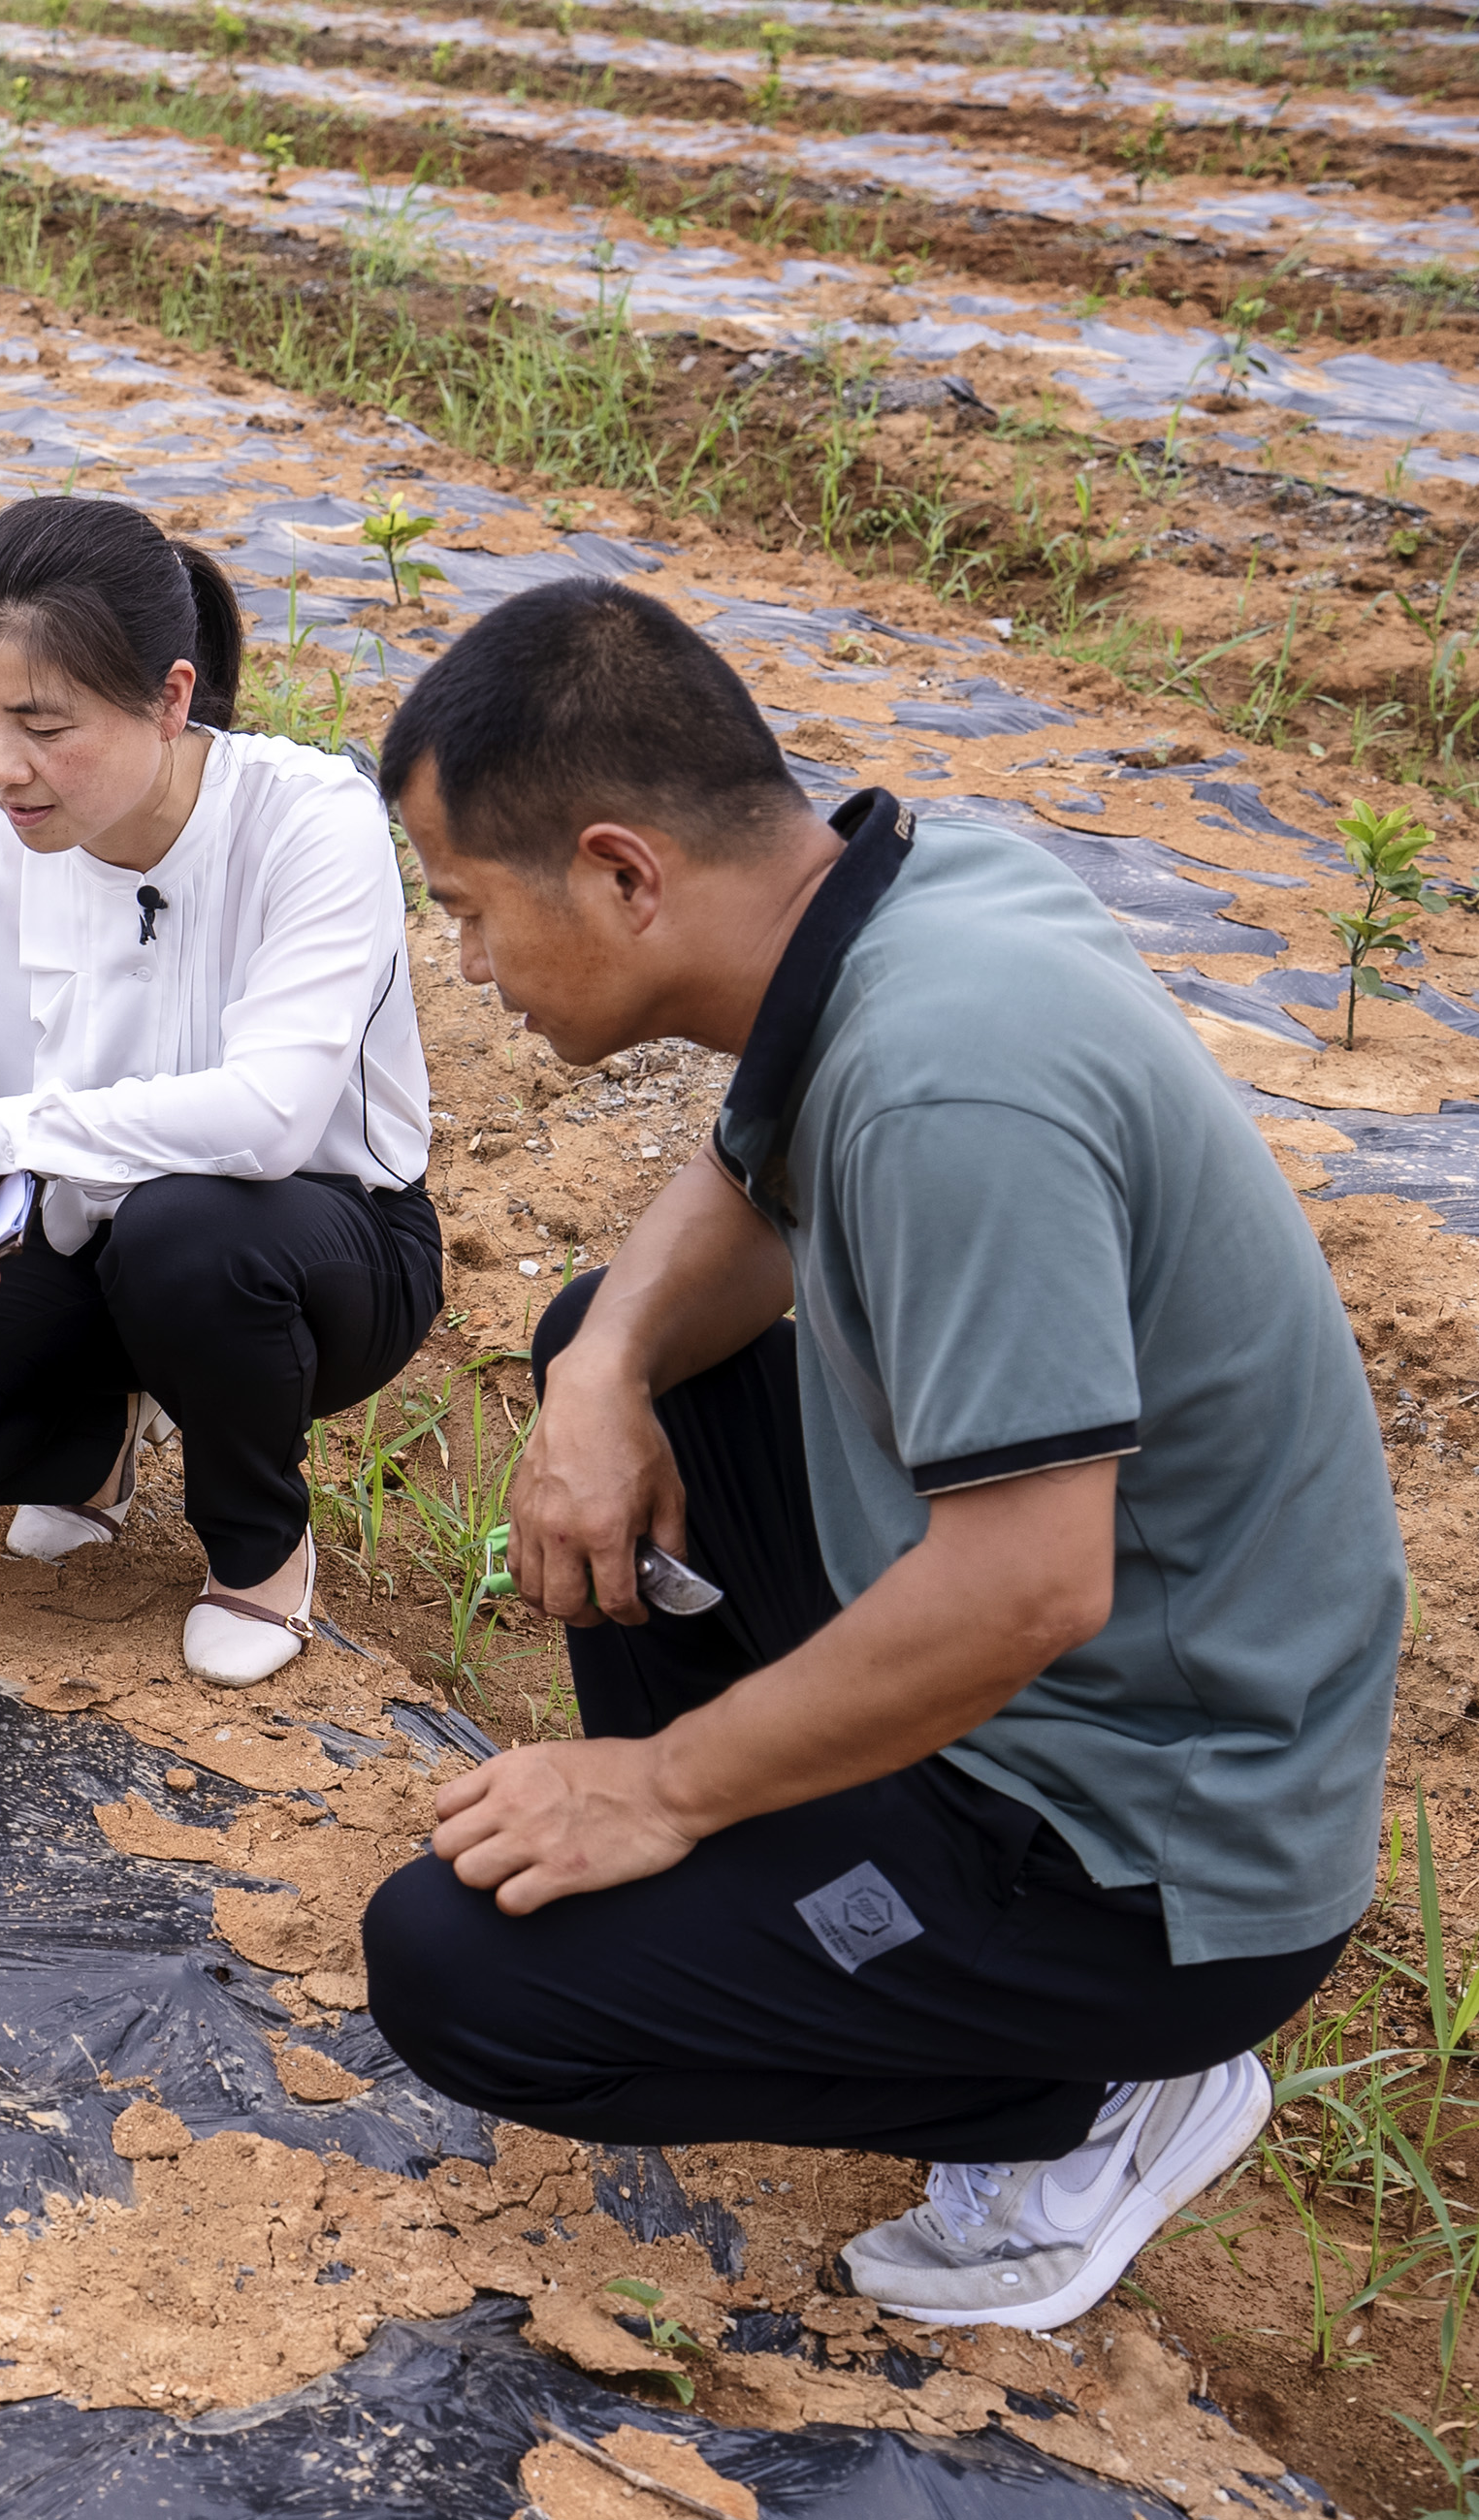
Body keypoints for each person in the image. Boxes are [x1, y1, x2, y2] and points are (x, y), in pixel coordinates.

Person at [359, 578, 1395, 2333]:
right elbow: (746, 1172)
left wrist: (663, 1783)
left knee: (462, 1975)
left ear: (624, 873)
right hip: (1080, 1688)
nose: (464, 966)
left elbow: (1027, 1579)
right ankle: (821, 1894)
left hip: (1146, 1846)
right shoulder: (909, 894)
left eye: (466, 912)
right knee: (618, 1342)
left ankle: (1091, 2102)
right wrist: (602, 1368)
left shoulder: (944, 1082)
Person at [0, 496, 439, 1685]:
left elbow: (275, 1117)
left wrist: (13, 1123)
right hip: (77, 1234)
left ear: (171, 699)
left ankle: (258, 1549)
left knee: (190, 1233)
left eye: (43, 724)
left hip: (317, 1247)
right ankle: (92, 1452)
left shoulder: (309, 823)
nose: (1, 766)